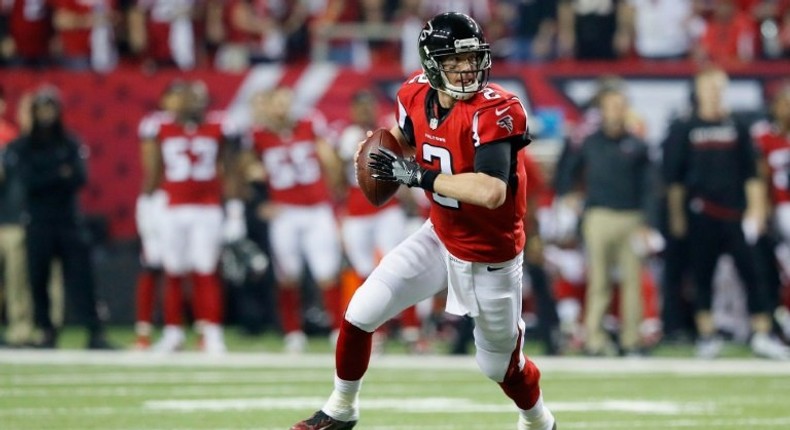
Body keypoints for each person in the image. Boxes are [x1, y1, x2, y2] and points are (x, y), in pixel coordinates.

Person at [291, 12, 556, 430]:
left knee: (498, 365)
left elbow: (491, 191)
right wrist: (382, 150)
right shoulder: (413, 94)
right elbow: (405, 138)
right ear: (432, 66)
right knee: (361, 310)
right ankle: (341, 409)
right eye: (455, 62)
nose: (467, 70)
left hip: (491, 255)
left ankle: (538, 420)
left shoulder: (497, 109)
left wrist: (419, 176)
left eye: (472, 59)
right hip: (440, 235)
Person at [665, 67, 789, 360]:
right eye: (709, 87)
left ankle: (761, 333)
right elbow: (674, 179)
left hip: (735, 213)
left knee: (753, 273)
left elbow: (752, 172)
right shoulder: (685, 127)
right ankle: (707, 336)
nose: (714, 93)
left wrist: (756, 210)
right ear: (698, 91)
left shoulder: (738, 125)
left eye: (718, 88)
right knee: (702, 274)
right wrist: (677, 217)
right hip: (700, 212)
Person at [139, 80, 245, 354]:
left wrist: (235, 211)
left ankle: (211, 332)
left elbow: (230, 170)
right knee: (173, 270)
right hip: (171, 207)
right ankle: (173, 332)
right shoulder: (158, 126)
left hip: (207, 208)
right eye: (189, 97)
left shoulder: (220, 126)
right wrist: (147, 210)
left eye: (199, 98)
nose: (194, 103)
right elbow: (152, 172)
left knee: (205, 269)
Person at [5, 87, 113, 349]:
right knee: (38, 279)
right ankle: (46, 331)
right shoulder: (21, 146)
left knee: (81, 278)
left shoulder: (70, 142)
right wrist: (58, 174)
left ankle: (94, 331)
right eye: (40, 109)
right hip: (37, 220)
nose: (45, 115)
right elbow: (27, 182)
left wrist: (49, 176)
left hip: (68, 220)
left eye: (49, 108)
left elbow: (79, 178)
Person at [557, 86, 659, 356]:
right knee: (599, 281)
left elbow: (650, 186)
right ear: (601, 110)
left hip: (631, 217)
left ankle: (631, 340)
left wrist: (648, 222)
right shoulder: (589, 141)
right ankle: (594, 339)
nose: (615, 111)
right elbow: (567, 170)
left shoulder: (638, 144)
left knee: (634, 282)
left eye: (620, 105)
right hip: (598, 216)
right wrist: (568, 195)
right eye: (610, 105)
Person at [243, 86, 344, 353]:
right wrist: (258, 202)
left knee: (327, 273)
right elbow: (245, 170)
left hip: (316, 209)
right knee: (288, 276)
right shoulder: (257, 136)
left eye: (286, 103)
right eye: (277, 103)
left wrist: (334, 196)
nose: (281, 109)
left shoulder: (310, 124)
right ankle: (293, 332)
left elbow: (330, 162)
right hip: (285, 212)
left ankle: (338, 330)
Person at [132, 80, 186, 349]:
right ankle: (143, 330)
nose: (179, 103)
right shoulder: (155, 125)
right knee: (153, 263)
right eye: (174, 97)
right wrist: (147, 200)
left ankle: (176, 329)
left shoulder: (201, 124)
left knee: (179, 267)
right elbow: (151, 168)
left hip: (185, 202)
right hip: (161, 200)